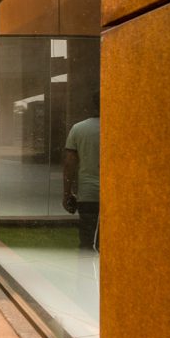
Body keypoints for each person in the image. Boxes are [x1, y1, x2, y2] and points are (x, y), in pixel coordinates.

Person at [63, 94, 101, 251]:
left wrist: (67, 193)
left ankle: (84, 274)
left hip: (88, 194)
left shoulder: (78, 129)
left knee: (87, 241)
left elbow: (69, 165)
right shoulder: (121, 128)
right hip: (116, 194)